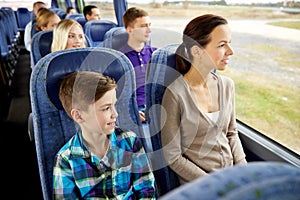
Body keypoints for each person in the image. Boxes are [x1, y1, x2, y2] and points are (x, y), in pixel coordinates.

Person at [160, 14, 247, 185]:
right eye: (222, 45)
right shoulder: (175, 94)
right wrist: (214, 182)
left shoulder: (228, 86)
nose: (231, 51)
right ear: (196, 51)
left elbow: (231, 133)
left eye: (230, 43)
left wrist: (243, 172)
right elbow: (173, 156)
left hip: (232, 178)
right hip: (200, 185)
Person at [52, 71, 156, 199]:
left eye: (114, 105)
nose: (115, 114)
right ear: (78, 116)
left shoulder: (129, 141)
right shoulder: (66, 160)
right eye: (106, 108)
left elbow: (146, 189)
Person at [119, 7, 157, 123]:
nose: (149, 30)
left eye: (149, 25)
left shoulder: (156, 54)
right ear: (130, 30)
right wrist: (131, 111)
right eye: (143, 26)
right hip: (136, 107)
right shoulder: (119, 58)